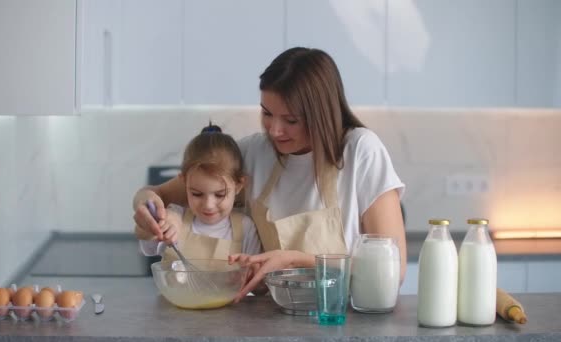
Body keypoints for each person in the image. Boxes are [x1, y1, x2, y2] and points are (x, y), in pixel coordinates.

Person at [133, 47, 406, 301]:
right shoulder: (254, 153)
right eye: (266, 113)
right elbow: (155, 194)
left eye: (291, 120)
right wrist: (146, 209)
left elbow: (392, 273)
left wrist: (298, 260)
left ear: (321, 115)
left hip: (341, 318)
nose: (275, 130)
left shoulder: (360, 151)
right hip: (274, 320)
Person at [135, 124, 262, 261]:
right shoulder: (175, 217)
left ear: (238, 186)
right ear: (184, 182)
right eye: (197, 194)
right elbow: (147, 247)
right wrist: (155, 228)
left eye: (220, 195)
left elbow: (254, 270)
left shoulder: (245, 228)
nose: (208, 205)